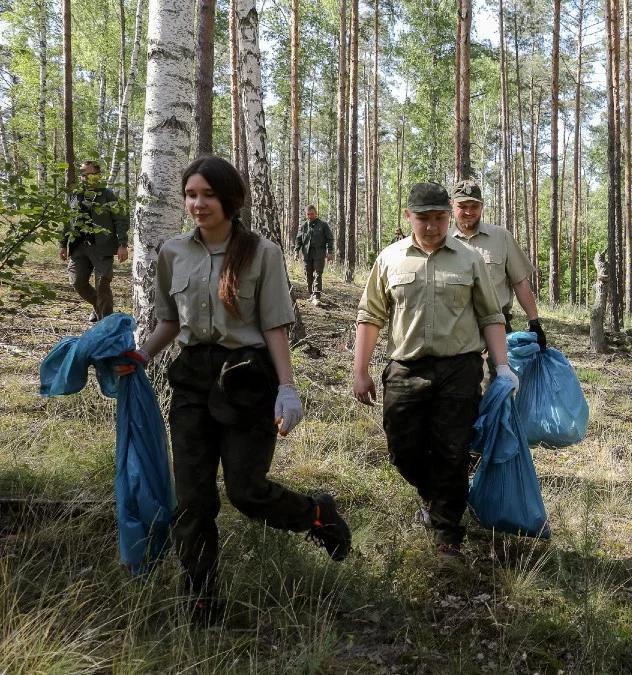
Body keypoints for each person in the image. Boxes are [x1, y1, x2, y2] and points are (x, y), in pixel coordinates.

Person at [117, 156, 351, 623]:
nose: (197, 204)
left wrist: (288, 387)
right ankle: (201, 594)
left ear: (230, 199)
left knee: (246, 490)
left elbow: (275, 326)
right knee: (194, 497)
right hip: (191, 381)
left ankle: (316, 516)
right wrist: (142, 355)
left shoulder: (260, 252)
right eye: (190, 194)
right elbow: (167, 321)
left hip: (246, 379)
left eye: (207, 194)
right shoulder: (172, 253)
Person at [352, 182, 518, 562]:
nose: (432, 226)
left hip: (459, 368)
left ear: (449, 216)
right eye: (423, 218)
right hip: (406, 368)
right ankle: (436, 496)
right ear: (408, 217)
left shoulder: (469, 258)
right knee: (402, 450)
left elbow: (490, 316)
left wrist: (503, 367)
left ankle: (448, 532)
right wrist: (360, 370)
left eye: (440, 217)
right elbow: (370, 315)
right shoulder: (390, 259)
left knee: (453, 450)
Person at [449, 179, 546, 348]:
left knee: (500, 374)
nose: (469, 211)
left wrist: (534, 323)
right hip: (454, 328)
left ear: (482, 206)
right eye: (462, 206)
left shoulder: (501, 237)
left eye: (474, 206)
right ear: (452, 206)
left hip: (497, 325)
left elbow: (520, 282)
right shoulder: (443, 241)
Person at [59, 160, 128, 322]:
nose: (85, 177)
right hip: (78, 246)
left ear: (98, 176)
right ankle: (98, 307)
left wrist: (123, 244)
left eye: (89, 174)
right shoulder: (74, 195)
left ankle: (107, 323)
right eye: (83, 174)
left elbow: (120, 220)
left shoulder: (107, 194)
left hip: (102, 246)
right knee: (77, 282)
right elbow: (68, 221)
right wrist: (63, 244)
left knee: (102, 284)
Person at [296, 205, 334, 300]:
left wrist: (330, 252)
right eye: (308, 214)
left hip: (319, 253)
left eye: (312, 214)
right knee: (308, 274)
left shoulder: (323, 225)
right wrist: (296, 251)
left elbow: (330, 239)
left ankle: (317, 295)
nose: (310, 216)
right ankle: (311, 294)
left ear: (316, 213)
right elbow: (298, 240)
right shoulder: (304, 226)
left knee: (318, 274)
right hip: (307, 254)